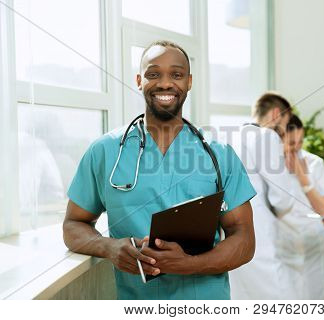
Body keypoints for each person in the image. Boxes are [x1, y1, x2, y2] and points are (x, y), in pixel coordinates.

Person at [63, 40, 257, 300]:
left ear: (189, 82)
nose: (165, 83)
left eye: (176, 75)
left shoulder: (219, 155)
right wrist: (108, 247)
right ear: (139, 80)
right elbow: (74, 223)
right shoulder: (105, 151)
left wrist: (189, 264)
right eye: (153, 74)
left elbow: (244, 240)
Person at [228, 92, 304, 299]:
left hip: (230, 236)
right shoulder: (267, 136)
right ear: (277, 113)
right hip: (259, 231)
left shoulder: (229, 137)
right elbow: (283, 198)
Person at [280, 114, 324, 299]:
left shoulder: (315, 163)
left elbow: (323, 209)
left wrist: (303, 178)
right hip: (284, 247)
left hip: (314, 244)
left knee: (319, 298)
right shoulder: (272, 166)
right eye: (291, 143)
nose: (296, 148)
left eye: (300, 142)